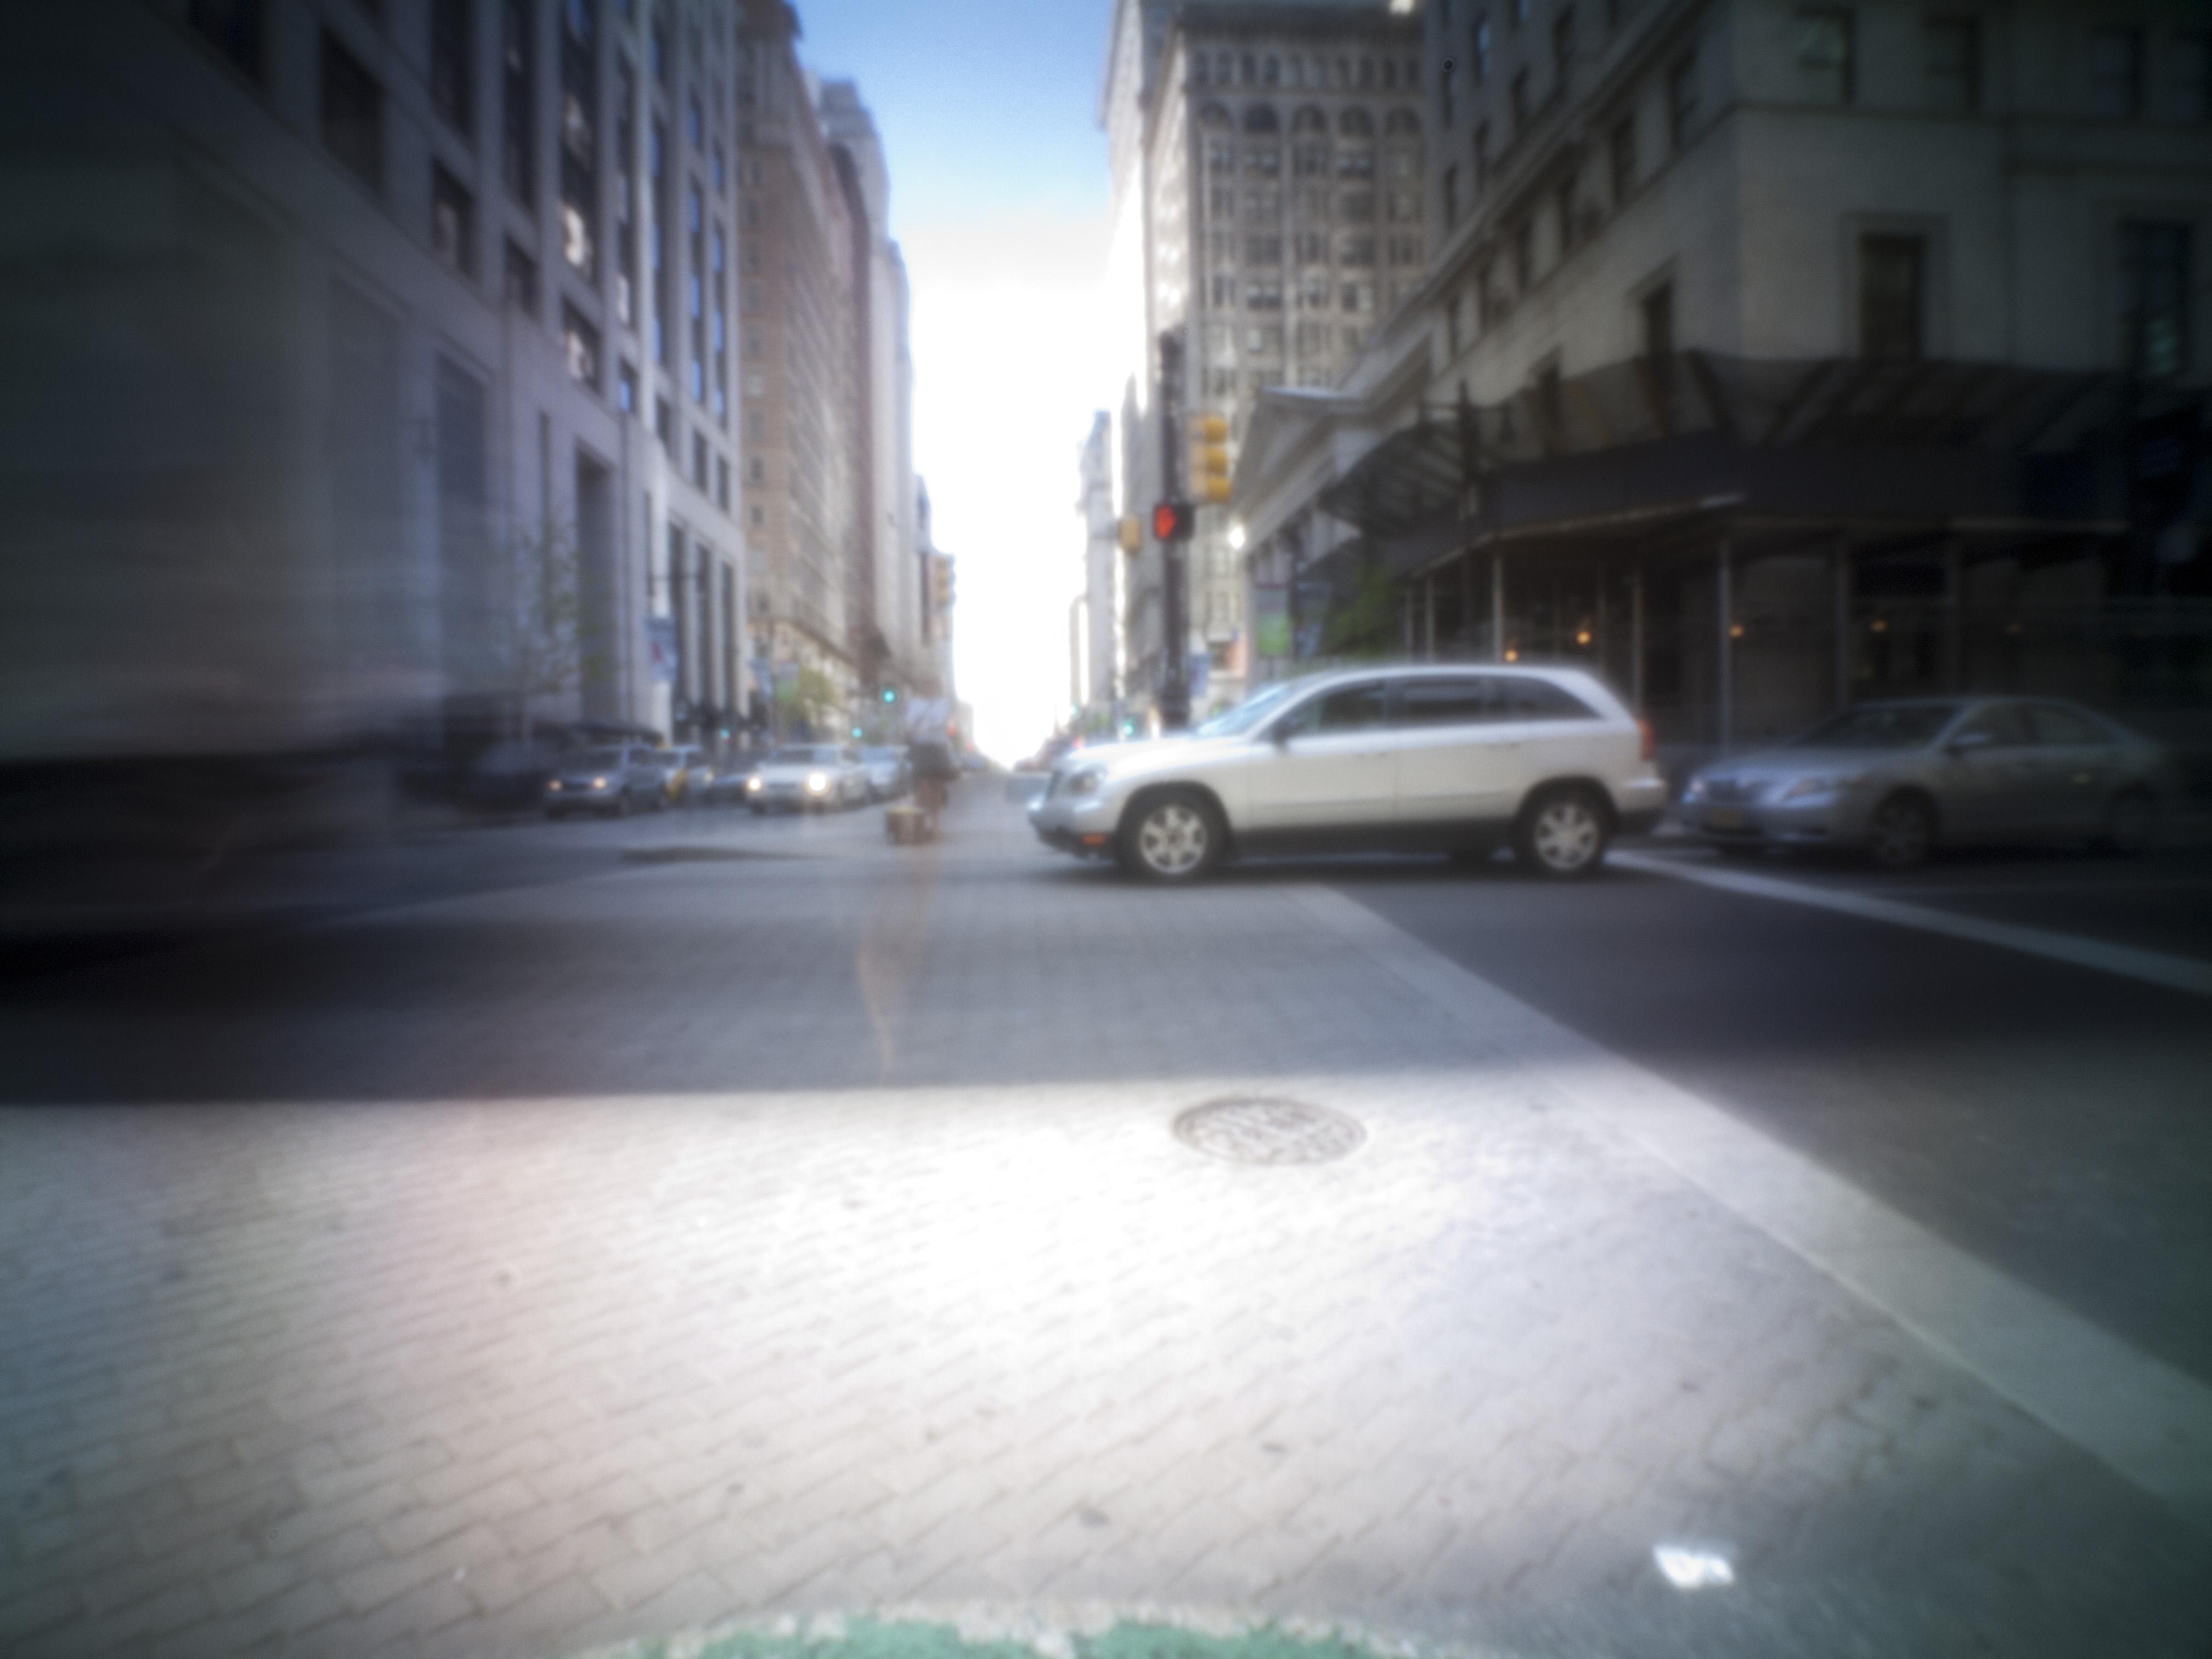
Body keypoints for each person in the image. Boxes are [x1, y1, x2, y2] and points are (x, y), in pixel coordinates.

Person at [904, 682, 957, 836]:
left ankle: (935, 825)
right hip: (920, 747)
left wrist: (918, 729)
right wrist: (912, 729)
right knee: (921, 785)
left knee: (936, 786)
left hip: (937, 747)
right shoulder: (915, 703)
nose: (929, 690)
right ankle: (920, 823)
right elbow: (909, 722)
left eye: (932, 687)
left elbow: (939, 722)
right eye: (926, 687)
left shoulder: (943, 703)